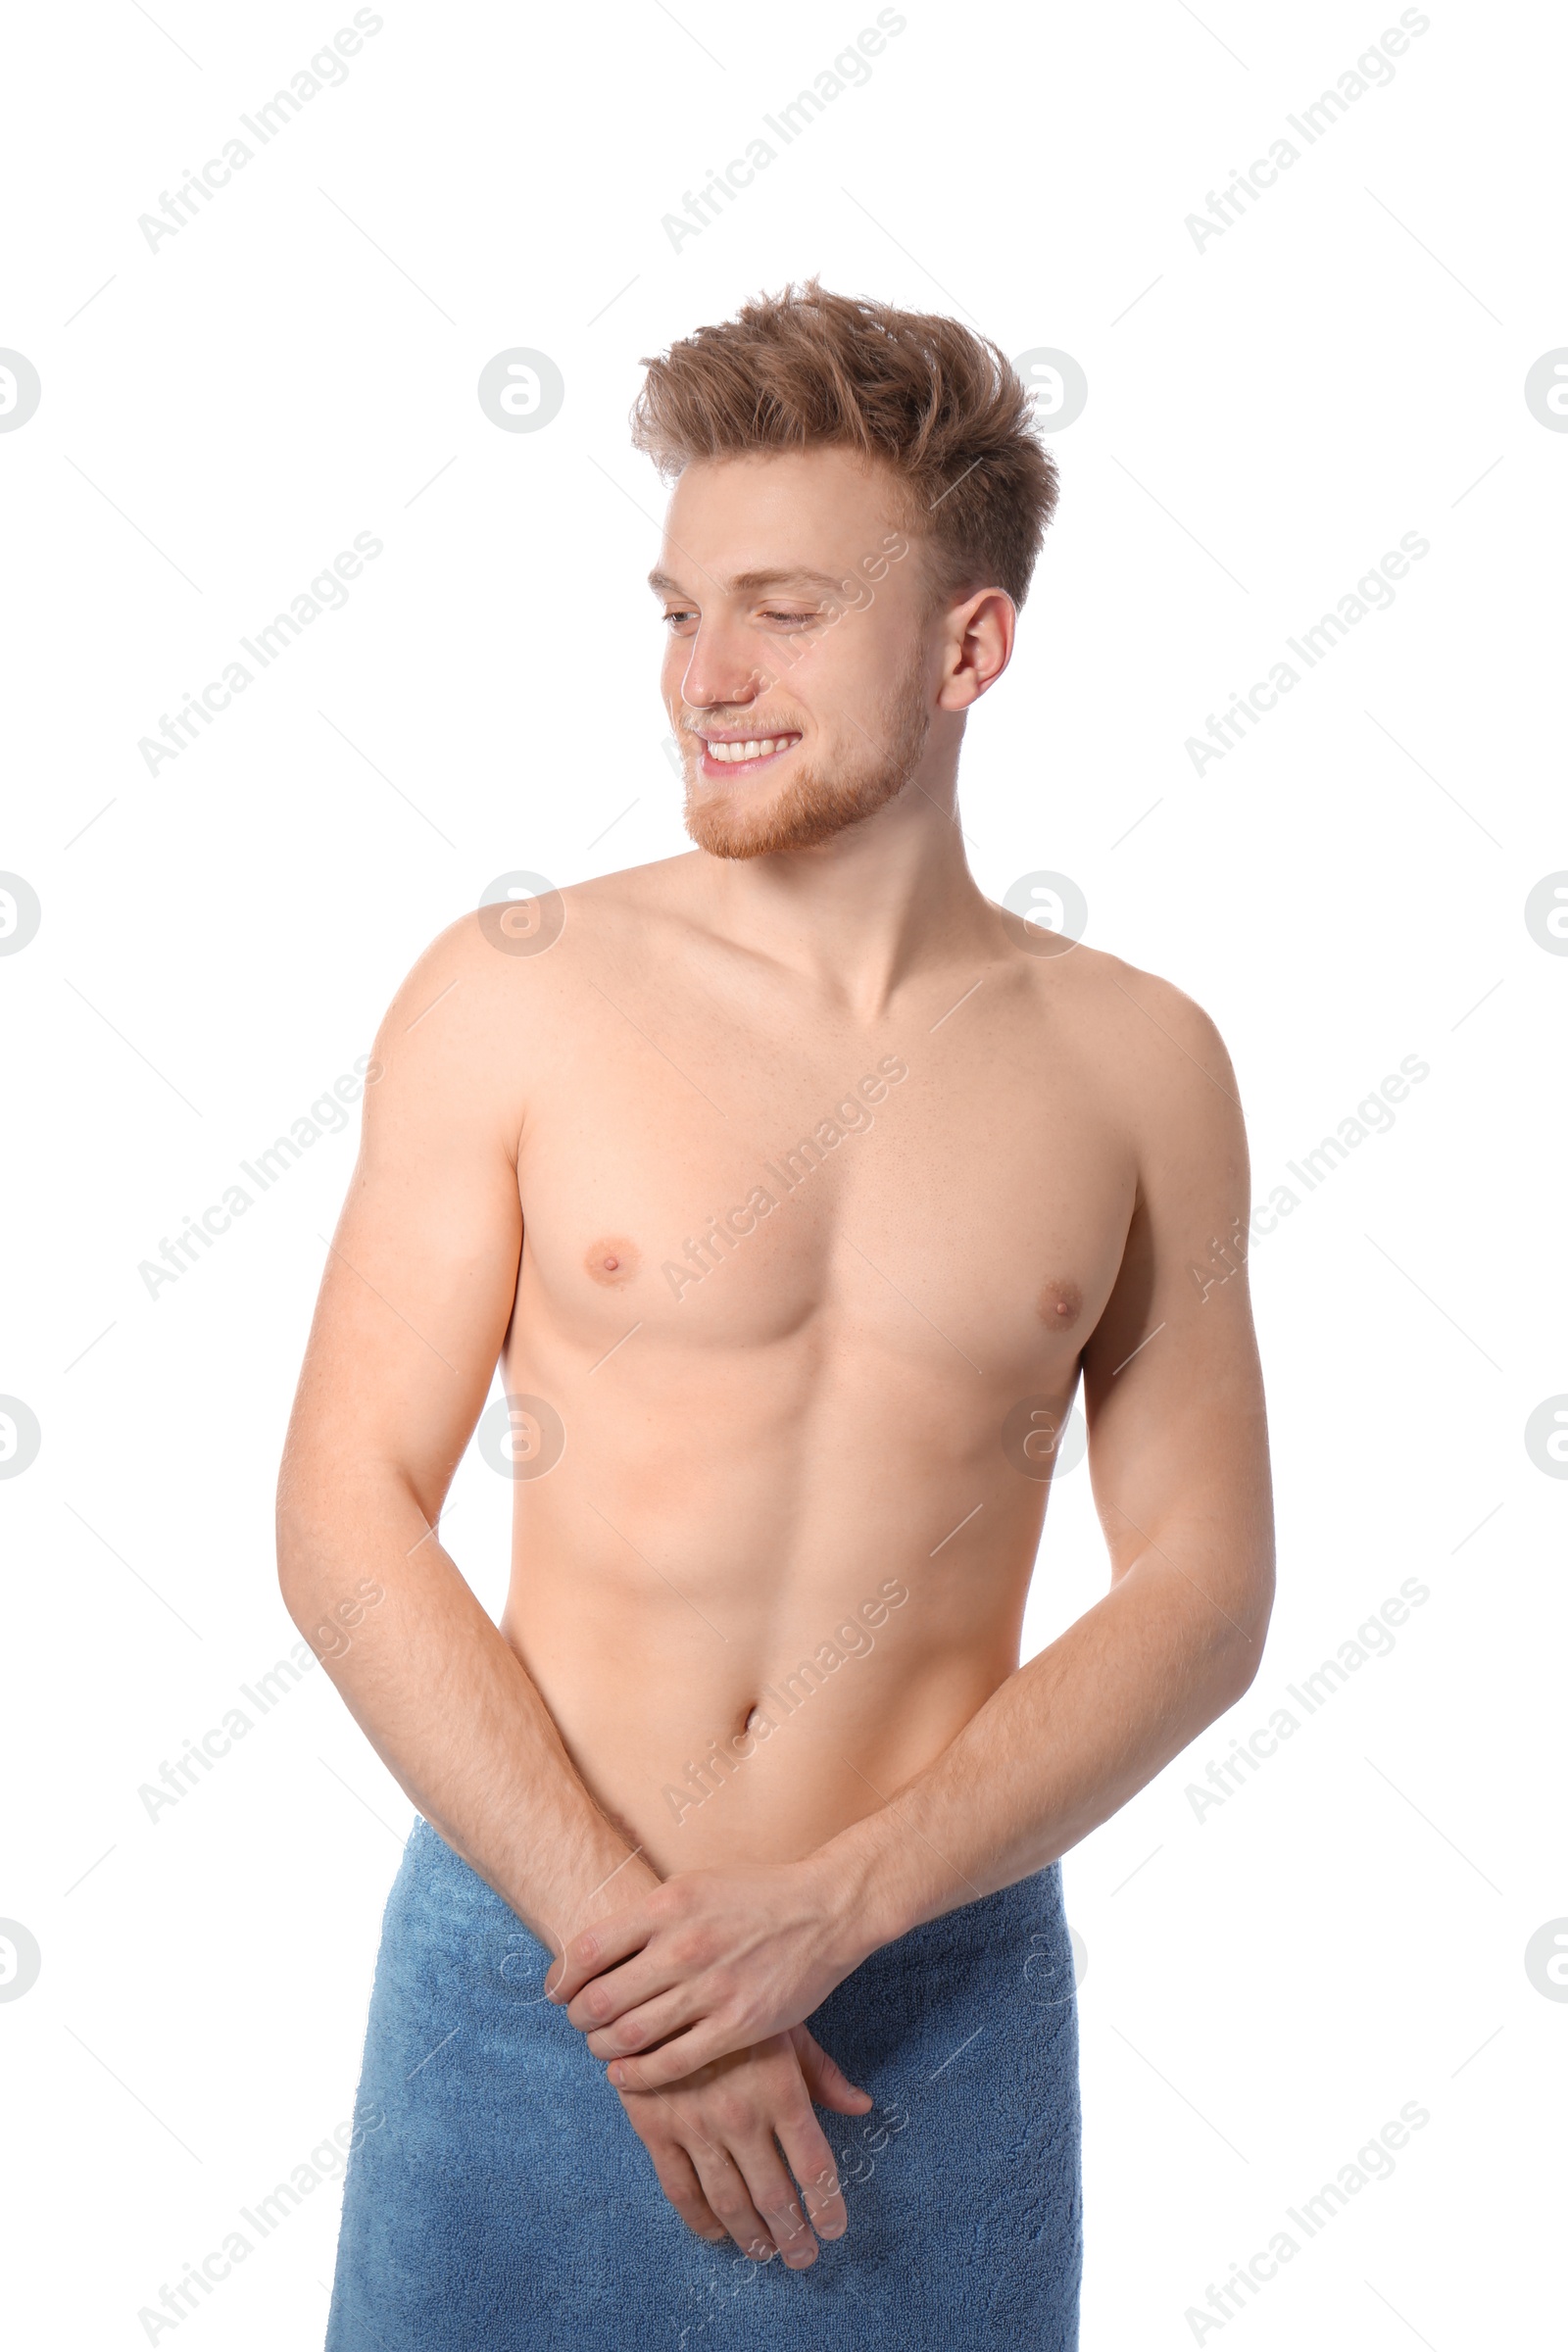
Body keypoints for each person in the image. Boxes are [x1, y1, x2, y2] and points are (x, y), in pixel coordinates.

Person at [278, 280, 1274, 2350]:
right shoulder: (516, 989)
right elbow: (344, 1510)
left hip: (925, 2005)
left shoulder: (1135, 1063)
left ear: (967, 643)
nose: (704, 680)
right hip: (530, 1982)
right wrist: (639, 1974)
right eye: (674, 611)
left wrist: (830, 1915)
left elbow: (1202, 1585)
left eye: (784, 611)